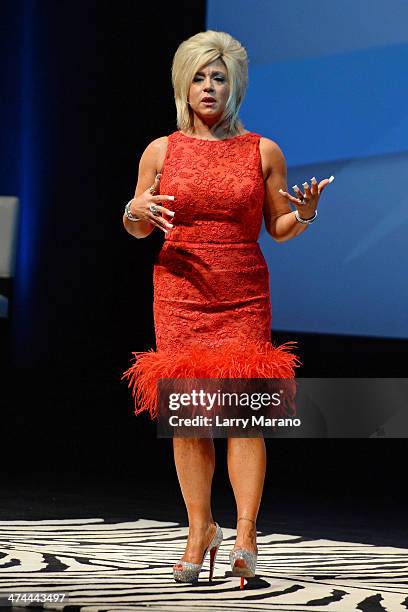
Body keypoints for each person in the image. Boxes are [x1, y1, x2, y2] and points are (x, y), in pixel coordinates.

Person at [121, 30, 334, 588]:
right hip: (180, 287)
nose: (209, 86)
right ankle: (200, 529)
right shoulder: (161, 151)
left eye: (219, 76)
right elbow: (139, 225)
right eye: (199, 76)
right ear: (182, 85)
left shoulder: (263, 151)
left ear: (235, 85)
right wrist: (135, 208)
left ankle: (244, 534)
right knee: (190, 418)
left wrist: (305, 215)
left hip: (241, 290)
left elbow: (278, 228)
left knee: (242, 415)